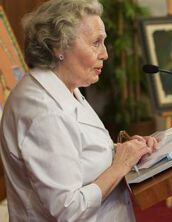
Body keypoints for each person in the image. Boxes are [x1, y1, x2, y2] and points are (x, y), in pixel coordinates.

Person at [0, 0, 158, 221]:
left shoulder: (65, 86)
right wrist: (121, 164)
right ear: (58, 47)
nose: (105, 54)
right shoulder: (43, 112)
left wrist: (129, 150)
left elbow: (78, 152)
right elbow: (68, 209)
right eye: (96, 43)